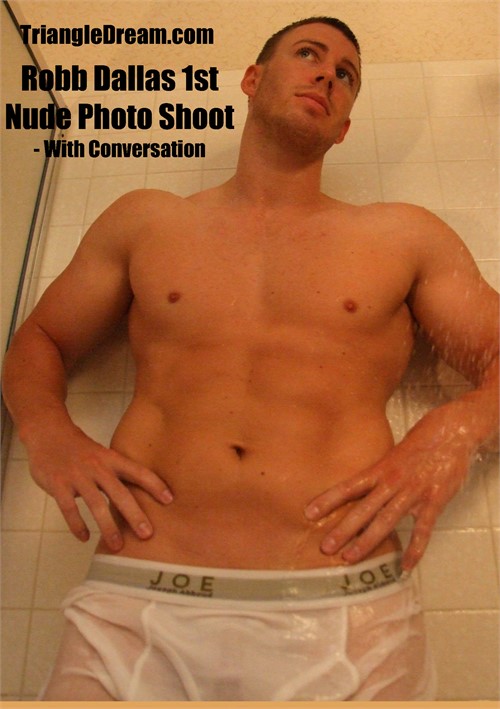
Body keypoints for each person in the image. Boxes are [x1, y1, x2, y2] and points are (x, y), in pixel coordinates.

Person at [3, 16, 498, 702]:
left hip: (348, 607)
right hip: (136, 601)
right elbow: (39, 339)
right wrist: (47, 432)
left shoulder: (404, 237)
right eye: (308, 54)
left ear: (344, 129)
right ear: (253, 79)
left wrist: (458, 427)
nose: (327, 74)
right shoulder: (144, 221)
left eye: (346, 74)